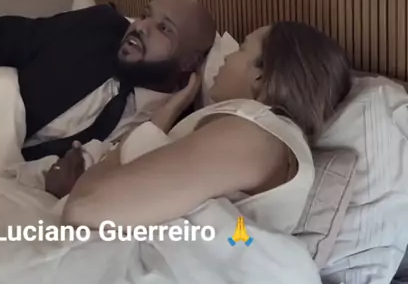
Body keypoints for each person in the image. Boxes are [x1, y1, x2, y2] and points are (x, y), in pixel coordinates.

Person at [62, 22, 352, 234]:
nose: (226, 56)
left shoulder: (252, 136)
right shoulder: (253, 132)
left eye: (241, 48)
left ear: (260, 74)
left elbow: (86, 208)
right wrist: (170, 111)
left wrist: (85, 181)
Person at [0, 0, 216, 187]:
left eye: (164, 28)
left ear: (190, 62)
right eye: (144, 14)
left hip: (1, 186)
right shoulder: (93, 29)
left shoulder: (179, 131)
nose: (140, 26)